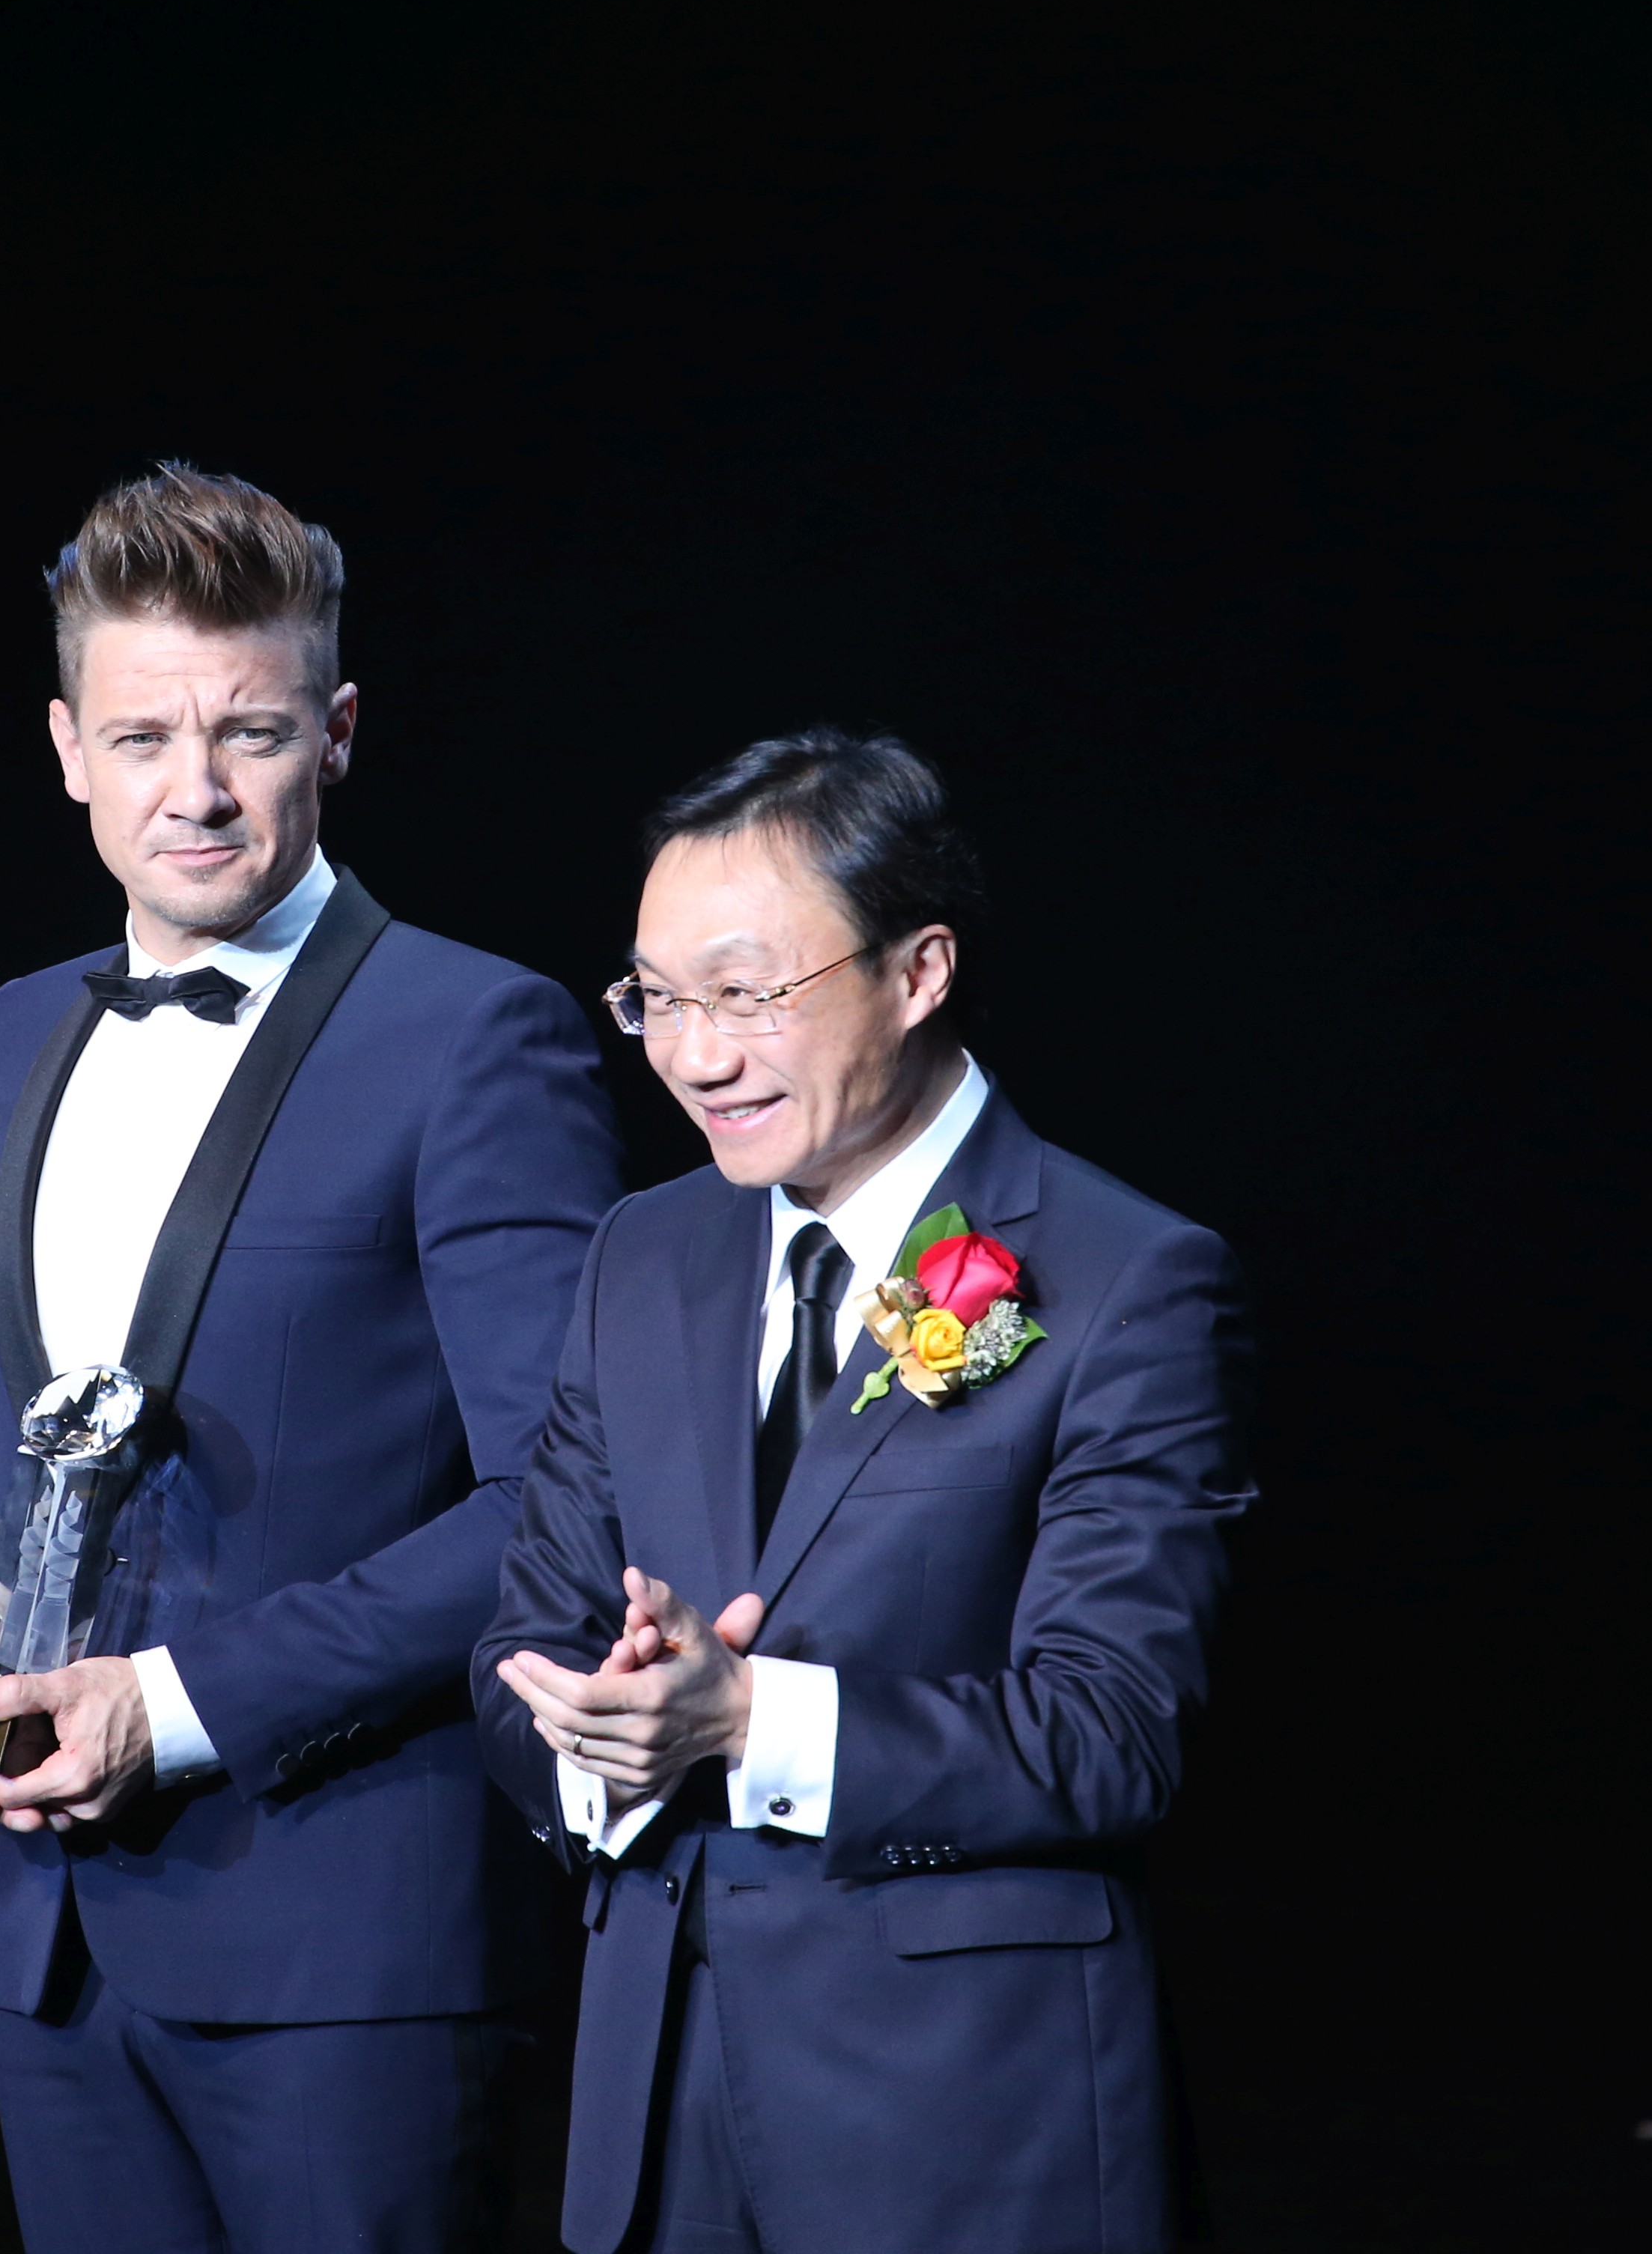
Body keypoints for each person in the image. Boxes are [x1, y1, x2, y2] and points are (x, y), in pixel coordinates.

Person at [0, 464, 624, 2253]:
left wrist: (175, 1705)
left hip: (346, 1947)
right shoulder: (10, 1034)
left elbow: (559, 1506)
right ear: (69, 749)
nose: (194, 790)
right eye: (143, 737)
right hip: (46, 1934)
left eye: (251, 733)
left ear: (336, 734)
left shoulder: (476, 1034)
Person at [478, 729, 1254, 2254]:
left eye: (749, 992)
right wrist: (603, 1734)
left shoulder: (1131, 1278)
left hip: (970, 2132)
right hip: (660, 2117)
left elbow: (1114, 1733)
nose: (696, 1055)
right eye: (658, 999)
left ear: (919, 972)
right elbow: (522, 1651)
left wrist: (747, 1719)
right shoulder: (642, 1254)